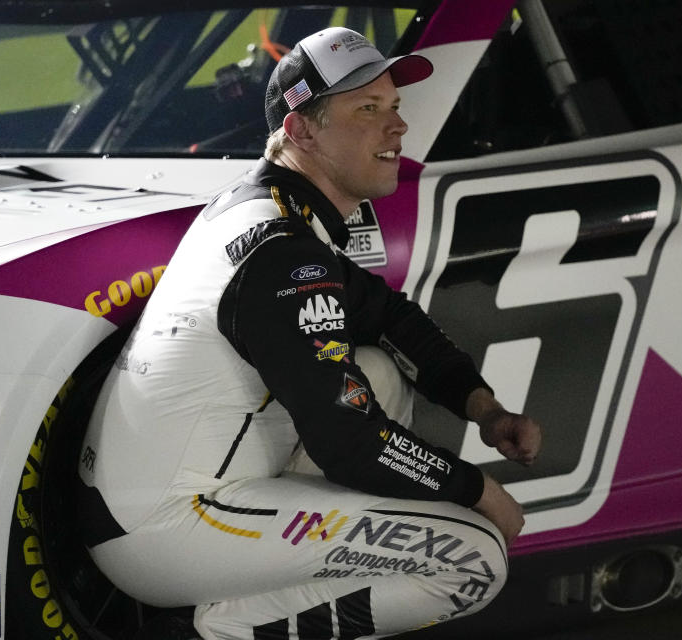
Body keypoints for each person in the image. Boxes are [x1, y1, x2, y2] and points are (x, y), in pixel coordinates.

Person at [78, 26, 541, 640]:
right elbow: (350, 443)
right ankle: (203, 633)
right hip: (165, 526)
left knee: (376, 365)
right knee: (473, 554)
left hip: (151, 501)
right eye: (367, 110)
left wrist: (483, 409)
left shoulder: (273, 209)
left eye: (395, 107)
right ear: (301, 131)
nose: (396, 128)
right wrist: (479, 490)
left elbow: (391, 318)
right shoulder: (281, 250)